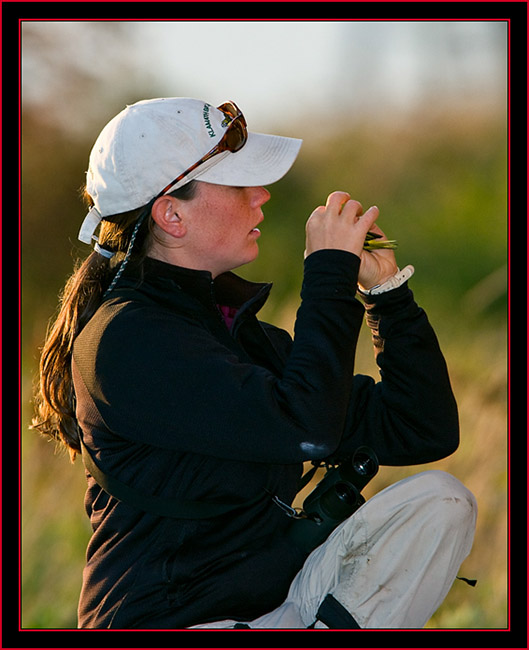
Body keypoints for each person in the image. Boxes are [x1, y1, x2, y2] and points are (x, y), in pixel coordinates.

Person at [33, 97, 477, 630]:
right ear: (171, 214)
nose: (263, 195)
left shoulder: (232, 332)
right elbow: (307, 430)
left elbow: (421, 428)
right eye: (239, 184)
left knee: (441, 502)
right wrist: (328, 275)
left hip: (267, 613)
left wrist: (386, 296)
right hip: (169, 627)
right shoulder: (124, 341)